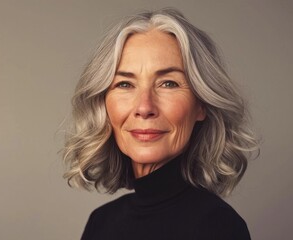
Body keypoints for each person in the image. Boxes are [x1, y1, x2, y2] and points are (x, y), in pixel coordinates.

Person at [62, 8, 259, 240]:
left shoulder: (218, 227)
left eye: (168, 84)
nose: (144, 107)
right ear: (103, 105)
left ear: (201, 105)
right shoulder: (102, 221)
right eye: (125, 84)